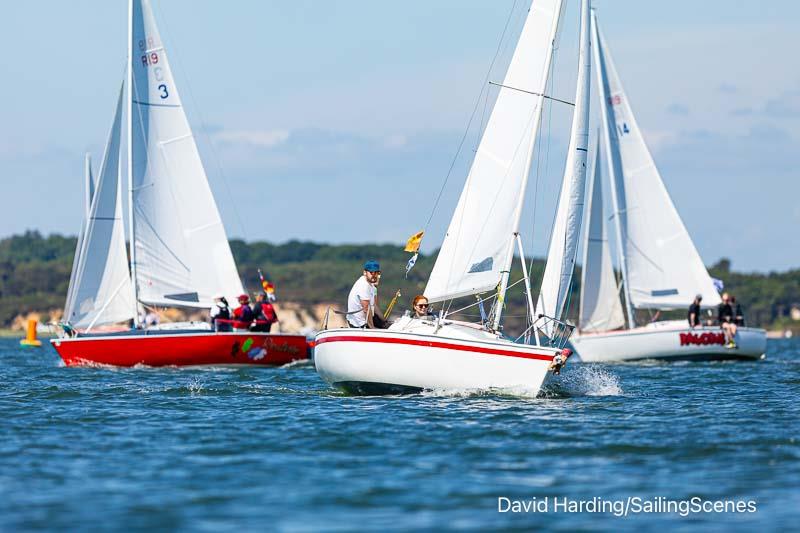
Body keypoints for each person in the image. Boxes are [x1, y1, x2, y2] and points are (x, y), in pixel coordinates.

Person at [347, 260, 386, 328]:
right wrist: (372, 329)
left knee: (387, 326)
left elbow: (374, 306)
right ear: (365, 272)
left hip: (366, 317)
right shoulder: (363, 285)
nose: (374, 275)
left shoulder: (371, 285)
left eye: (376, 273)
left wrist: (385, 321)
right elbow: (366, 309)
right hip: (358, 323)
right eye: (371, 272)